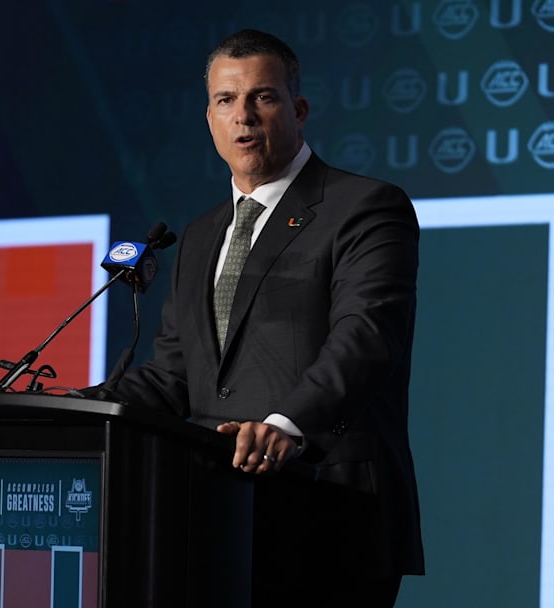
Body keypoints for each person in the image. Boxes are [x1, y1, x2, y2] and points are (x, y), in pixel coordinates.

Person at [87, 29, 424, 606]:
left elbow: (365, 337)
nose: (244, 116)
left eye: (262, 98)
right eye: (226, 100)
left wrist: (285, 425)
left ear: (298, 109)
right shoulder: (198, 235)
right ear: (210, 118)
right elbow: (174, 373)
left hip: (328, 515)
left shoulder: (365, 207)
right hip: (211, 519)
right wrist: (83, 405)